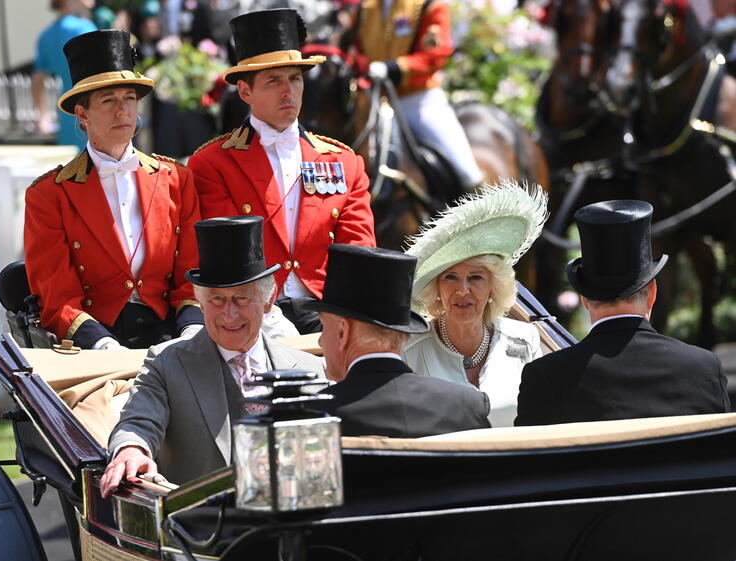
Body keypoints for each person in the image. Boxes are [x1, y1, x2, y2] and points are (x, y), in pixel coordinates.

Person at [102, 215, 325, 494]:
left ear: (268, 301)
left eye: (242, 299)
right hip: (202, 531)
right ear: (201, 304)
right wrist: (131, 450)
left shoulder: (312, 369)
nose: (229, 315)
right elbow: (139, 421)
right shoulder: (166, 363)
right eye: (217, 299)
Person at [188, 9, 377, 335]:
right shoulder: (212, 164)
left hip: (328, 310)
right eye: (274, 81)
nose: (288, 91)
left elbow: (359, 251)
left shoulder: (344, 161)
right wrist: (267, 316)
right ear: (245, 92)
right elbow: (225, 256)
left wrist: (343, 317)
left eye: (295, 78)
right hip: (253, 316)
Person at [24, 29, 202, 350]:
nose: (123, 111)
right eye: (108, 101)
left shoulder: (176, 179)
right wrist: (102, 345)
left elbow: (191, 271)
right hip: (94, 338)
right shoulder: (48, 196)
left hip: (171, 333)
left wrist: (190, 330)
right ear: (82, 115)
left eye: (129, 99)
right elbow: (56, 296)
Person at [516, 200, 731, 426]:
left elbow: (529, 460)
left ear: (585, 299)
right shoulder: (704, 368)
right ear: (652, 293)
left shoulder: (545, 377)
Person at [306, 244, 490, 437]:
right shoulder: (468, 406)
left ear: (343, 331)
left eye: (324, 326)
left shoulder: (314, 418)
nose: (320, 341)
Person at [401, 182, 547, 426]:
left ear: (493, 286)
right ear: (436, 288)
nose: (462, 290)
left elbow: (541, 418)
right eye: (450, 277)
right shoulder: (410, 348)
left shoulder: (524, 338)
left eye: (476, 278)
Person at [343, 0, 483, 190]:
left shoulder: (429, 5)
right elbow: (352, 50)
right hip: (373, 101)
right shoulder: (364, 9)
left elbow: (435, 55)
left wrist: (393, 68)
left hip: (418, 101)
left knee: (467, 173)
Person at [32, 0, 97, 149]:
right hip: (94, 108)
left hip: (67, 110)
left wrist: (43, 118)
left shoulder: (46, 34)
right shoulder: (84, 28)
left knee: (73, 167)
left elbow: (37, 80)